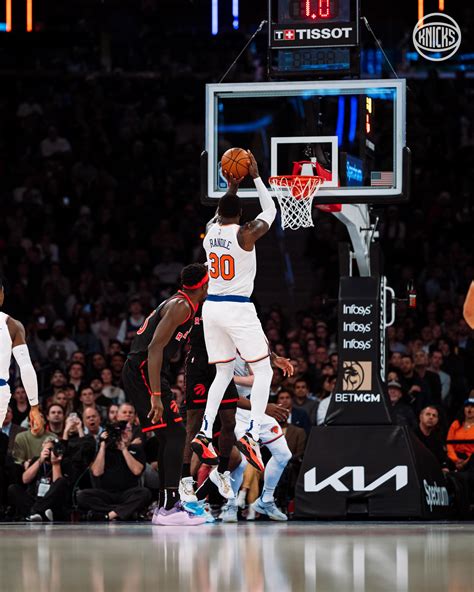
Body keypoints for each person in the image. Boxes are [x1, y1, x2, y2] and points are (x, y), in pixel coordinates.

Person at [193, 152, 277, 472]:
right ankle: (253, 434)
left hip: (211, 308)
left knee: (224, 373)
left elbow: (221, 213)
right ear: (241, 214)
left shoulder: (210, 231)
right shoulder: (246, 233)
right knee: (264, 372)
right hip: (238, 308)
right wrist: (255, 177)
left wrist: (231, 187)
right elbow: (270, 210)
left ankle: (204, 431)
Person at [122, 263, 209, 526]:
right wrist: (156, 395)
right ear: (204, 286)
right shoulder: (180, 306)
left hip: (147, 371)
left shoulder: (187, 303)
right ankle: (170, 506)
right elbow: (154, 348)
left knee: (168, 435)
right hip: (144, 369)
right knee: (176, 433)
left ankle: (165, 506)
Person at [221, 354, 293, 523]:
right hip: (234, 411)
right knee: (243, 462)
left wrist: (275, 358)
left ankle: (266, 500)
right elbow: (226, 392)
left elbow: (265, 350)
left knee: (284, 455)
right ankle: (231, 504)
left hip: (256, 409)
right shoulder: (223, 346)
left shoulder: (254, 339)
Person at [179, 302, 239, 504]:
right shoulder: (189, 304)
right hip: (199, 362)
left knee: (229, 421)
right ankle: (185, 478)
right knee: (193, 424)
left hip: (222, 362)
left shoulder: (227, 302)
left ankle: (222, 471)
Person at [76, 422, 151, 522]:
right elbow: (97, 472)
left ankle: (107, 515)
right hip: (106, 494)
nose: (124, 433)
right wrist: (102, 445)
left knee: (145, 493)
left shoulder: (136, 449)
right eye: (121, 431)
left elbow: (137, 471)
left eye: (128, 430)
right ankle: (124, 512)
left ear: (132, 433)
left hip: (127, 493)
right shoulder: (104, 450)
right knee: (82, 496)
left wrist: (124, 449)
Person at [0, 277, 44, 433]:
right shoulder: (12, 325)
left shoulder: (11, 324)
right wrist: (34, 406)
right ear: (2, 295)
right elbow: (26, 367)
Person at [8, 435, 70, 521]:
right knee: (13, 488)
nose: (51, 452)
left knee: (61, 481)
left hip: (51, 505)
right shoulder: (36, 460)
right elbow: (25, 479)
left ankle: (35, 512)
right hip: (34, 500)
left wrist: (55, 464)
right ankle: (41, 515)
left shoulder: (62, 462)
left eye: (53, 450)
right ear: (43, 447)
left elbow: (58, 486)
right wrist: (40, 460)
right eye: (49, 449)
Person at [414, 406, 449, 470]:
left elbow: (441, 458)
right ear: (420, 417)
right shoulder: (412, 434)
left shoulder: (437, 438)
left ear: (437, 420)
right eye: (428, 414)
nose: (431, 417)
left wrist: (444, 467)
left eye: (434, 415)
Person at [446, 398, 474, 472]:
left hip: (471, 459)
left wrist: (465, 462)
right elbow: (449, 444)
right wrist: (455, 459)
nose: (470, 409)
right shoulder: (456, 424)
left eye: (473, 407)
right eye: (467, 406)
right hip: (454, 458)